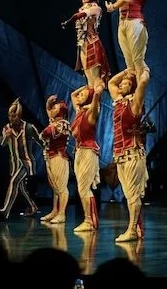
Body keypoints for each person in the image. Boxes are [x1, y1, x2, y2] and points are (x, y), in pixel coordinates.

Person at [108, 67, 151, 241]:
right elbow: (111, 83)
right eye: (122, 83)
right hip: (120, 154)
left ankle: (132, 229)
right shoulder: (118, 102)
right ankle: (136, 228)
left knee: (133, 194)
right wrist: (127, 71)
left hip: (133, 152)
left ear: (131, 87)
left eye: (125, 84)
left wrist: (141, 68)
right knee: (128, 195)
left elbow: (143, 81)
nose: (121, 85)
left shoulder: (135, 104)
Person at [62, 0, 110, 88]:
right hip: (84, 45)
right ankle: (92, 98)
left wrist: (67, 22)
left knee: (95, 79)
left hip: (92, 44)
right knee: (88, 77)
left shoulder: (96, 9)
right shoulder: (86, 6)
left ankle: (97, 98)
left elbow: (79, 16)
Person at [0, 99, 43, 220]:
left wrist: (48, 153)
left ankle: (5, 210)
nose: (11, 118)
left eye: (14, 116)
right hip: (14, 164)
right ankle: (33, 207)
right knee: (21, 187)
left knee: (14, 182)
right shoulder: (6, 128)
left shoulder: (28, 127)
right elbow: (2, 144)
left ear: (19, 116)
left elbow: (41, 141)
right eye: (9, 116)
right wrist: (6, 136)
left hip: (26, 163)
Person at [70, 84, 102, 233]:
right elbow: (73, 95)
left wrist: (95, 94)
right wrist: (86, 86)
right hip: (79, 152)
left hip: (88, 151)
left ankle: (89, 221)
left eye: (82, 95)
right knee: (82, 188)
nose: (79, 96)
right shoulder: (79, 111)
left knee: (83, 188)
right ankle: (90, 220)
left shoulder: (90, 114)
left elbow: (95, 105)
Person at [39, 96, 72, 225]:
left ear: (60, 112)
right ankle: (54, 211)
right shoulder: (54, 122)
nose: (51, 110)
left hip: (59, 157)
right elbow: (45, 133)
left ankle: (62, 213)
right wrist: (48, 103)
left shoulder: (64, 123)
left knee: (61, 187)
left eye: (55, 108)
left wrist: (48, 129)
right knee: (55, 187)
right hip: (50, 156)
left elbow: (48, 133)